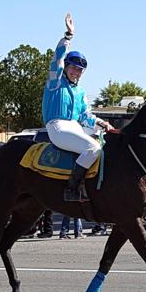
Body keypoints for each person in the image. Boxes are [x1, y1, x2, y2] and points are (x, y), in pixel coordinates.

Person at [41, 13, 116, 202]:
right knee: (93, 148)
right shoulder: (55, 82)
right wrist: (68, 36)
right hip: (57, 127)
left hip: (75, 126)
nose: (76, 73)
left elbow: (85, 115)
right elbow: (56, 60)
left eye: (80, 71)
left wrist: (101, 123)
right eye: (73, 68)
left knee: (103, 142)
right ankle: (72, 188)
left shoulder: (80, 91)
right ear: (66, 67)